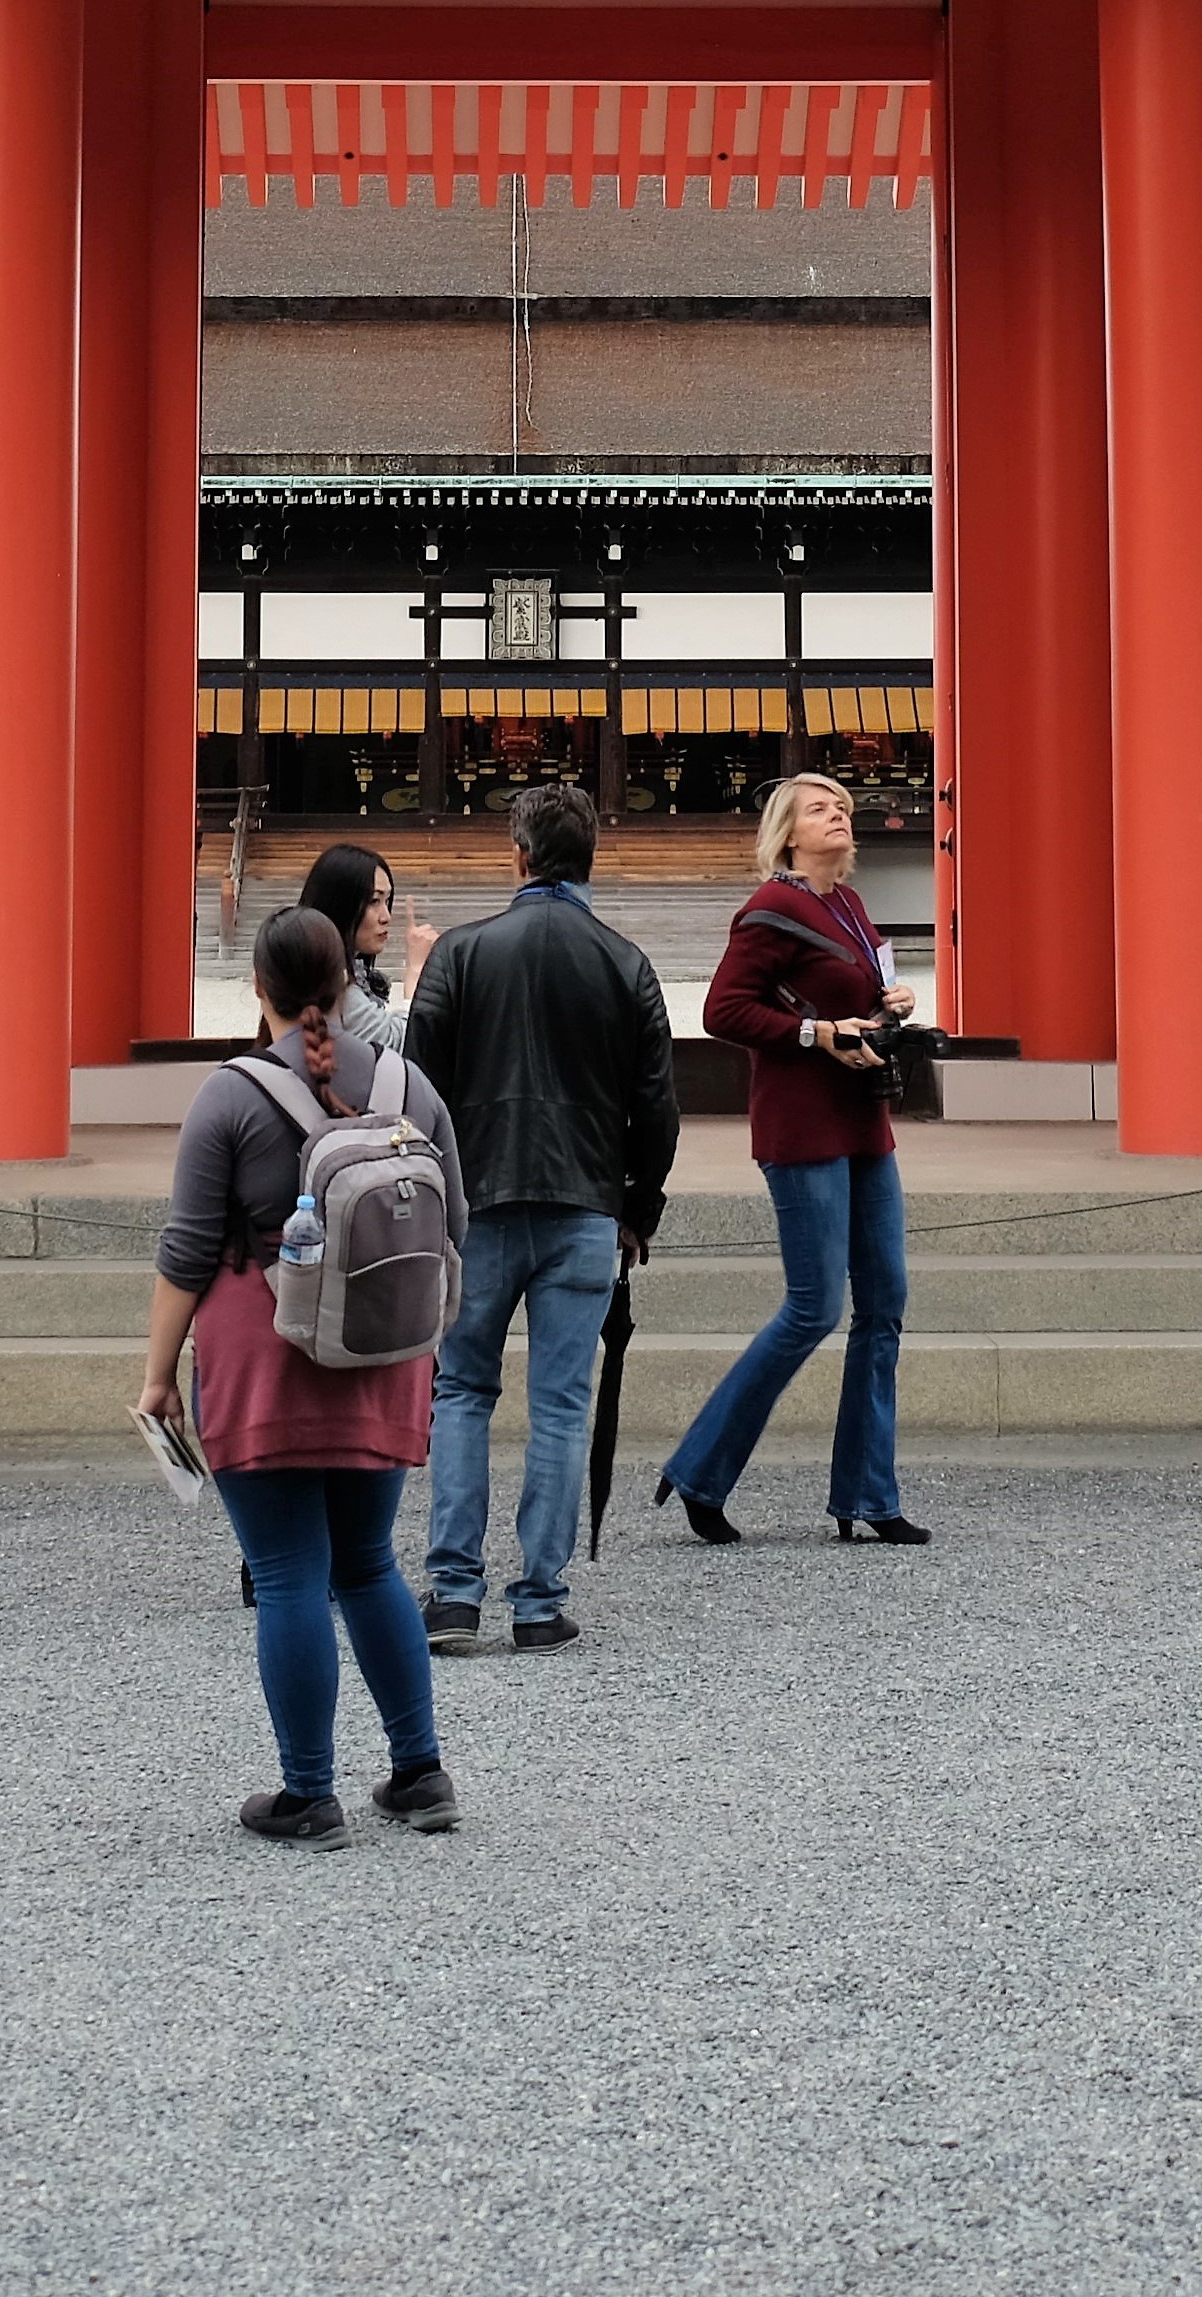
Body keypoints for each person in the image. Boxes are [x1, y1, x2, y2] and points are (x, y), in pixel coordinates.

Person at [137, 904, 464, 1845]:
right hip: (381, 1352)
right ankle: (419, 1771)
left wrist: (159, 1379)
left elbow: (187, 1251)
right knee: (370, 1565)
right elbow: (455, 1226)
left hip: (261, 1354)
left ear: (259, 989)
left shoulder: (230, 1095)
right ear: (344, 983)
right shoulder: (411, 1086)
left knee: (287, 1572)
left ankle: (308, 1792)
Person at [394, 782, 680, 1652]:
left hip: (475, 1201)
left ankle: (451, 1590)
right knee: (559, 1402)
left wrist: (431, 1191)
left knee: (461, 1389)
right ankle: (540, 1598)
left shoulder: (459, 956)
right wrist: (637, 1206)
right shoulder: (624, 961)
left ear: (515, 856)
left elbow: (418, 1087)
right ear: (590, 859)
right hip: (585, 1205)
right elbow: (656, 1108)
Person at [656, 769, 929, 1547]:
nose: (838, 814)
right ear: (786, 832)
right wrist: (816, 1035)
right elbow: (723, 1010)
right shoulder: (772, 907)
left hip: (864, 1122)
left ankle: (869, 1495)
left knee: (884, 1306)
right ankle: (699, 1472)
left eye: (842, 806)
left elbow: (849, 998)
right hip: (801, 1126)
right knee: (814, 1309)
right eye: (819, 807)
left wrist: (885, 1009)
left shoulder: (845, 903)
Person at [299, 841, 412, 1064]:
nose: (386, 916)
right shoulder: (327, 979)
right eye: (373, 901)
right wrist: (415, 980)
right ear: (340, 903)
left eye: (387, 901)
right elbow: (393, 1045)